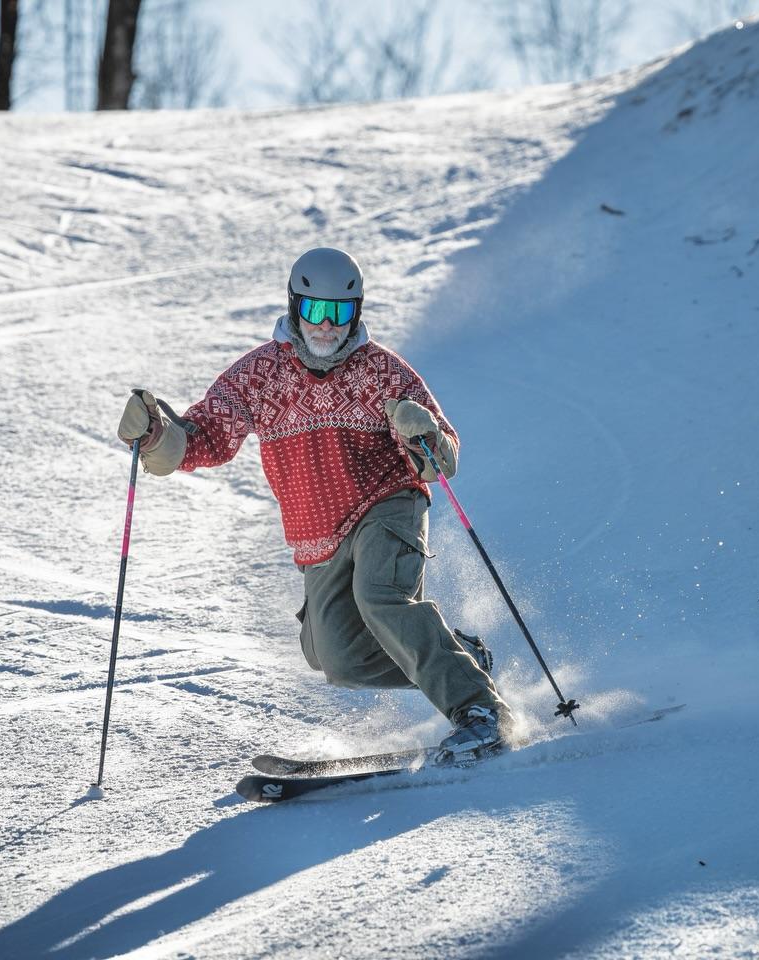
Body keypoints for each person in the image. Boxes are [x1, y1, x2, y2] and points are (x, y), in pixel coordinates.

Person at [117, 247, 511, 761]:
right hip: (317, 534)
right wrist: (158, 438)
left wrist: (424, 436)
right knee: (339, 659)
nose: (327, 326)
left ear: (357, 312)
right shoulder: (260, 373)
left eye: (340, 312)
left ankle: (478, 710)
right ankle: (462, 660)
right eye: (315, 311)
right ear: (295, 306)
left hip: (385, 504)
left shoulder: (381, 371)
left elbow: (442, 454)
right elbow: (208, 433)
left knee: (381, 599)